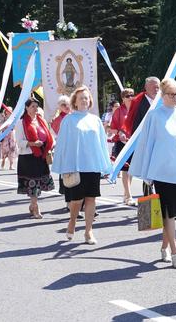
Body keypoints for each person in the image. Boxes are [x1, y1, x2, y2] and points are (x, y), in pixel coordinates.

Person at [129, 78, 176, 269]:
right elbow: (147, 144)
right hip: (160, 171)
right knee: (168, 214)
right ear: (163, 95)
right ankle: (175, 252)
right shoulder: (154, 116)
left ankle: (164, 247)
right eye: (172, 94)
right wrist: (146, 172)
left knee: (170, 213)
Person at [52, 86, 112, 244]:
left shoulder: (95, 120)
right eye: (81, 98)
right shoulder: (69, 120)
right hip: (76, 166)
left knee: (91, 199)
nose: (84, 100)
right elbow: (62, 144)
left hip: (92, 166)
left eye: (86, 98)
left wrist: (105, 166)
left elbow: (101, 144)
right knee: (77, 200)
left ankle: (88, 231)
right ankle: (72, 221)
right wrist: (62, 166)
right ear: (75, 102)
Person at [15, 98, 55, 219]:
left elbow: (48, 134)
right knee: (33, 184)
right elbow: (19, 142)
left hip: (41, 155)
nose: (35, 109)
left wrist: (50, 144)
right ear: (26, 108)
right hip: (28, 156)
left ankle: (33, 205)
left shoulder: (40, 120)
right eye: (32, 106)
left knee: (38, 183)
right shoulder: (21, 122)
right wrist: (32, 144)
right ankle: (35, 207)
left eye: (36, 106)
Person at [110, 88, 136, 206]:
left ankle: (126, 194)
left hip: (134, 142)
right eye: (127, 96)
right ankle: (129, 195)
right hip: (122, 143)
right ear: (123, 98)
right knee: (125, 169)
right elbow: (112, 128)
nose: (130, 97)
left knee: (131, 170)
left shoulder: (136, 110)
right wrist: (119, 132)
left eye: (132, 95)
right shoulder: (119, 111)